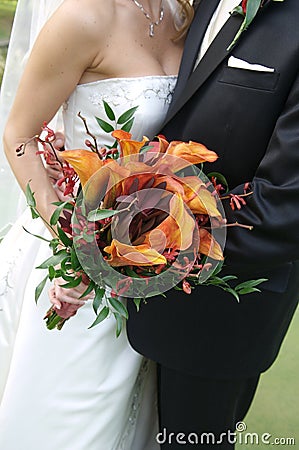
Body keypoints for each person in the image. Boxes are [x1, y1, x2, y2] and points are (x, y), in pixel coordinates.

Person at [0, 1, 194, 449]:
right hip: (78, 268)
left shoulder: (184, 14)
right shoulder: (83, 17)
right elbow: (19, 135)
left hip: (152, 262)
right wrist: (79, 245)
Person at [126, 0, 299, 448]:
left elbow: (285, 207)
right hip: (130, 300)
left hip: (219, 317)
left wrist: (143, 232)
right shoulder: (197, 8)